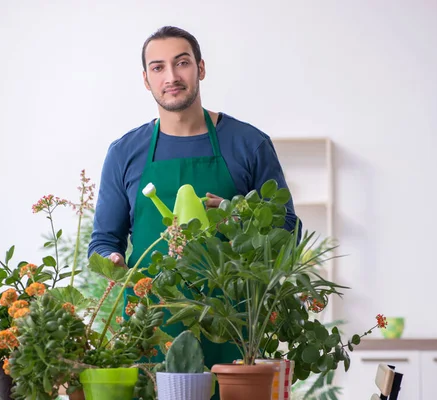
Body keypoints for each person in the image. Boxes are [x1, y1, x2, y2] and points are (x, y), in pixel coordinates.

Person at [87, 25, 301, 398]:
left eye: (181, 63)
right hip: (150, 326)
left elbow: (288, 230)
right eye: (158, 67)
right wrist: (112, 260)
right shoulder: (124, 152)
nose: (171, 77)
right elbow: (104, 241)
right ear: (145, 79)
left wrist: (237, 214)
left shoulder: (248, 143)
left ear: (200, 68)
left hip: (232, 328)